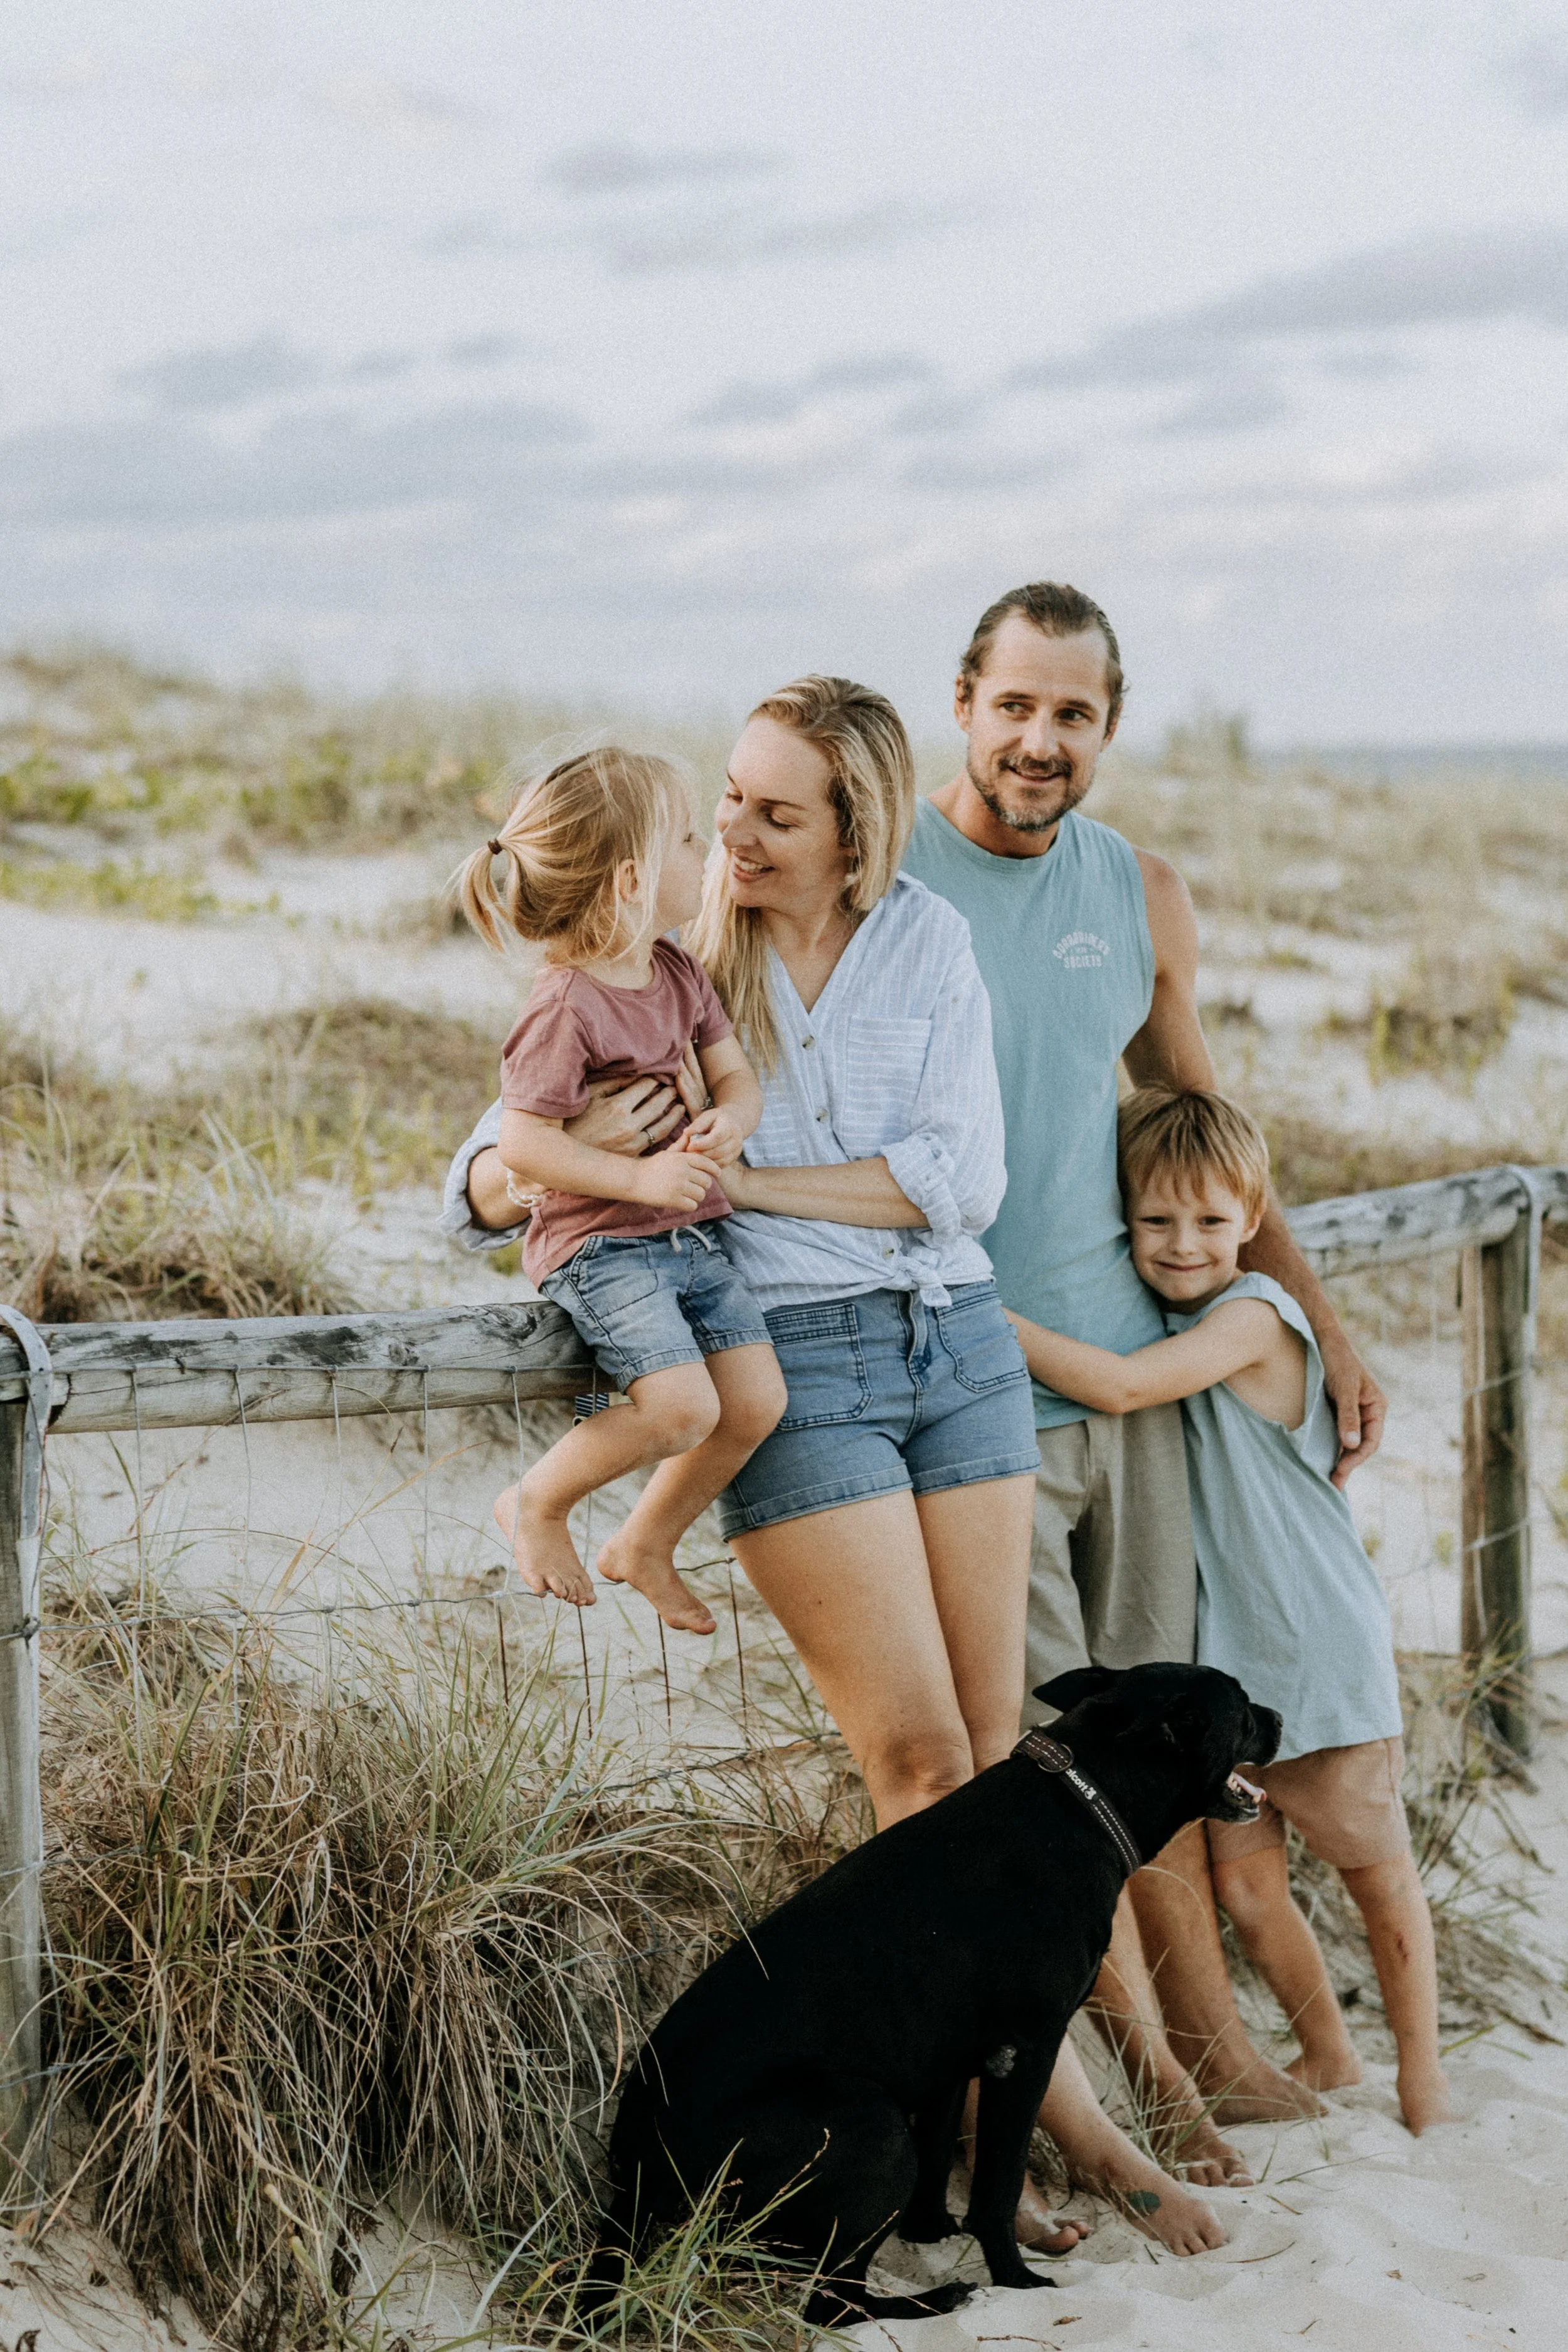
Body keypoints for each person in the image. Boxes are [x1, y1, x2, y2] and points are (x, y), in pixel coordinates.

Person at [448, 678, 1236, 2256]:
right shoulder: (674, 956)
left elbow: (959, 1181)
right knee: (922, 1770)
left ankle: (1013, 2110)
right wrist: (524, 1181)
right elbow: (488, 1166)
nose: (729, 832)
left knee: (1017, 1776)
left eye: (769, 810)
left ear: (852, 829)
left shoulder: (927, 946)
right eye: (726, 801)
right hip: (797, 1369)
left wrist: (739, 1172)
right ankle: (1070, 2137)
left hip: (958, 1348)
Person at [1007, 1086, 1450, 2136]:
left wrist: (991, 1304)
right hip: (1231, 1660)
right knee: (1249, 1893)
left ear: (1252, 1219)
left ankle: (1423, 2074)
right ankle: (1331, 2048)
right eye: (1154, 1220)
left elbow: (1116, 1387)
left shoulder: (1253, 1315)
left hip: (1314, 1642)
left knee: (1374, 1871)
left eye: (1210, 1220)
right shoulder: (1176, 1307)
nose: (1181, 1243)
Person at [454, 745, 787, 1636]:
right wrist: (638, 1175)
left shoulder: (678, 971)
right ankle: (536, 1500)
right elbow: (524, 1141)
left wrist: (734, 1121)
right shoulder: (563, 1003)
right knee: (681, 1406)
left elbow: (736, 1078)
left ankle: (647, 1541)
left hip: (689, 1236)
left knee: (756, 1402)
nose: (706, 849)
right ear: (634, 878)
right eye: (687, 838)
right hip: (603, 1247)